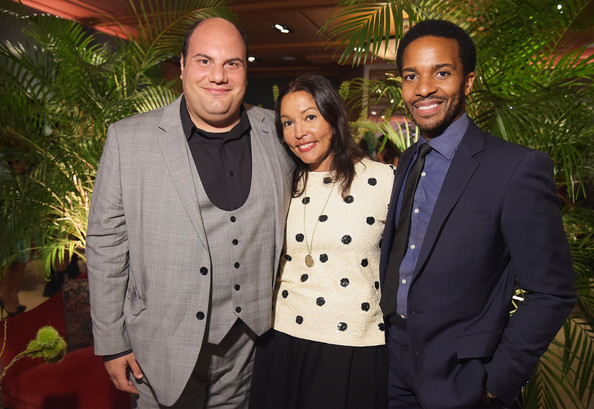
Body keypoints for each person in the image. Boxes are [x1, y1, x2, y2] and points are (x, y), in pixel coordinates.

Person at [86, 17, 294, 408]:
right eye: (204, 61)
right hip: (160, 350)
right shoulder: (128, 139)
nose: (218, 75)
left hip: (249, 347)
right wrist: (112, 343)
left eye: (232, 63)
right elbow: (106, 245)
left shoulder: (276, 130)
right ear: (182, 66)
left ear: (246, 71)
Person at [379, 20, 576, 409]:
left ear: (468, 82)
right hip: (392, 365)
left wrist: (493, 382)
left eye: (442, 73)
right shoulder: (406, 162)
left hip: (463, 380)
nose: (423, 89)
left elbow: (552, 290)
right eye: (410, 76)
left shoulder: (516, 168)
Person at [249, 73, 394, 409]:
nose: (298, 132)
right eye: (287, 122)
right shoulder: (282, 183)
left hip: (354, 344)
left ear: (333, 117)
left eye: (310, 117)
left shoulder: (383, 180)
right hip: (282, 340)